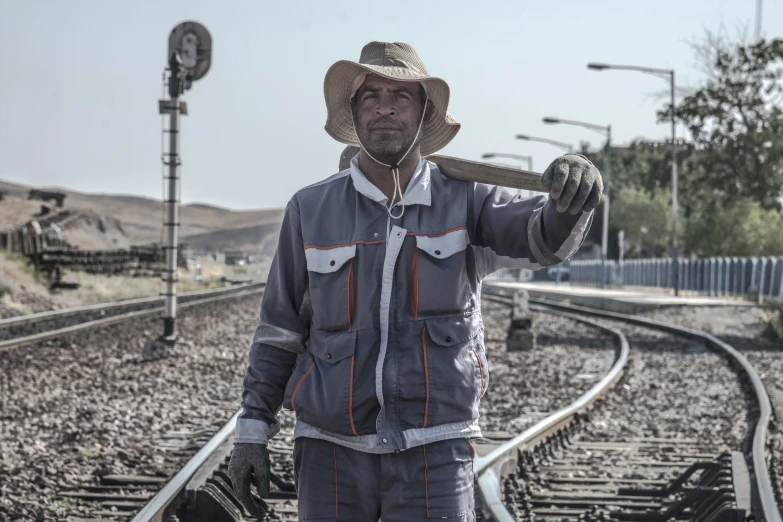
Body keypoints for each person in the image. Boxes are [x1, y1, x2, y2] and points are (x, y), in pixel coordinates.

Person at [228, 41, 602, 522]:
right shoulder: (310, 210)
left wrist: (571, 196)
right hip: (330, 452)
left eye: (401, 95)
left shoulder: (469, 201)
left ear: (424, 113)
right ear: (354, 113)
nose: (384, 106)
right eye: (370, 95)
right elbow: (278, 331)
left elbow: (541, 239)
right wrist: (252, 432)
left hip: (436, 450)